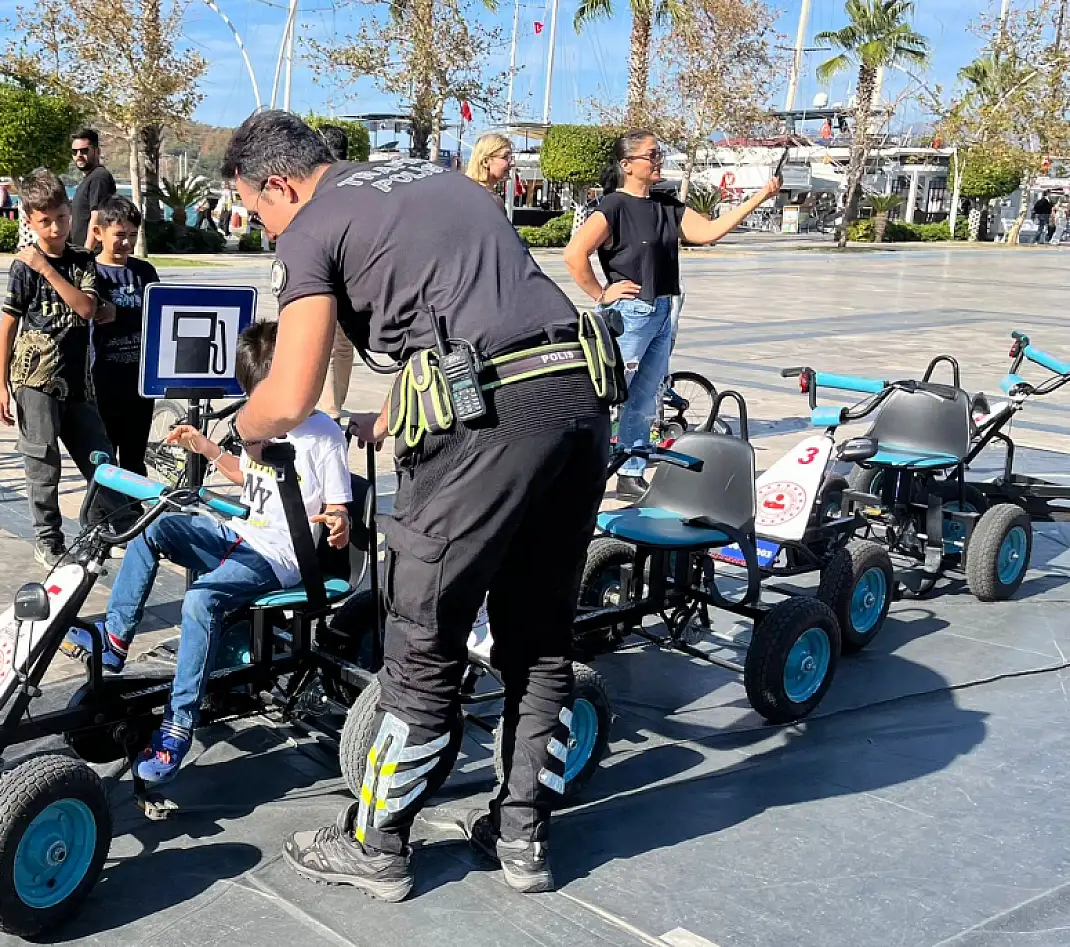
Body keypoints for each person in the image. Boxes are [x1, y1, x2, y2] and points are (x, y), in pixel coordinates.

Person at [221, 110, 613, 900]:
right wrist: (391, 417)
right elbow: (469, 319)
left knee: (424, 637)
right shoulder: (426, 176)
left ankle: (377, 844)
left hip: (495, 419)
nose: (257, 225)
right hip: (580, 392)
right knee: (537, 638)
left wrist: (244, 427)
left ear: (279, 182)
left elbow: (290, 394)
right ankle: (523, 836)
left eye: (254, 208)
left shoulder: (310, 225)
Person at [63, 321, 352, 784]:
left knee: (202, 600)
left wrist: (339, 522)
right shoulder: (263, 422)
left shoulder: (322, 436)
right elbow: (252, 480)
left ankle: (178, 726)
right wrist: (208, 449)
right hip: (239, 532)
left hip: (280, 557)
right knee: (153, 525)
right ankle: (116, 639)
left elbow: (338, 506)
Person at [563, 129, 780, 499]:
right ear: (627, 165)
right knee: (609, 394)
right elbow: (574, 254)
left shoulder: (666, 205)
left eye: (659, 153)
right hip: (630, 314)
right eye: (651, 154)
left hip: (664, 309)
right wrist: (601, 293)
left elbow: (709, 232)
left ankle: (631, 470)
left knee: (646, 398)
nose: (658, 159)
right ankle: (581, 472)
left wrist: (759, 197)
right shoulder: (614, 206)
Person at [0, 168, 120, 565]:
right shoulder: (22, 269)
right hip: (34, 382)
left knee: (100, 457)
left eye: (62, 217)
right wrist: (1, 386)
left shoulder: (81, 261)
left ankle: (106, 528)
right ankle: (48, 538)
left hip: (77, 383)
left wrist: (48, 269)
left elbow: (85, 308)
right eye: (45, 221)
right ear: (30, 221)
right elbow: (8, 326)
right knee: (43, 465)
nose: (56, 228)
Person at [89, 196, 161, 475]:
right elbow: (92, 312)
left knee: (134, 457)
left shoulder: (144, 272)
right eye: (119, 235)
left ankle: (134, 513)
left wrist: (119, 313)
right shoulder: (91, 272)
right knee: (104, 456)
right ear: (99, 232)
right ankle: (103, 512)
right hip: (103, 378)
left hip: (139, 380)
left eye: (132, 235)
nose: (126, 243)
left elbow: (158, 315)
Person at [314, 124, 357, 419]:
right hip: (354, 271)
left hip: (326, 269)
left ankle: (329, 408)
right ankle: (335, 403)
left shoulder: (319, 181)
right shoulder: (354, 178)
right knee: (342, 345)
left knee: (327, 343)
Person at [69, 129, 118, 250]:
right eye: (74, 152)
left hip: (94, 255)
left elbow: (97, 215)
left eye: (84, 150)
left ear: (97, 151)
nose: (79, 155)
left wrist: (87, 252)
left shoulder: (99, 177)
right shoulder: (89, 178)